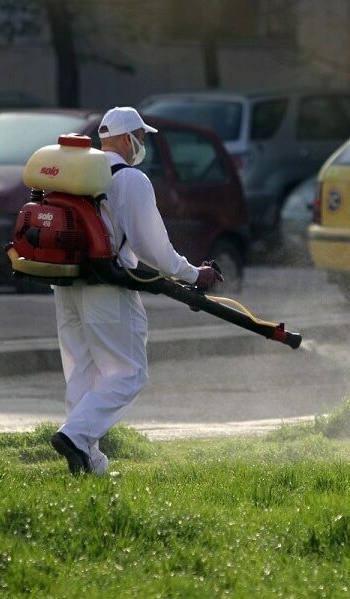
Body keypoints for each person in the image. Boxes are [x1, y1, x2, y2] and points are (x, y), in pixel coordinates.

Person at [49, 106, 222, 475]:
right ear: (128, 138)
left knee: (83, 371)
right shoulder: (131, 179)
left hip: (66, 285)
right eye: (141, 138)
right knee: (129, 373)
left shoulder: (74, 172)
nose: (142, 145)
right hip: (107, 288)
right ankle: (76, 436)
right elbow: (153, 249)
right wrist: (194, 275)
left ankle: (89, 462)